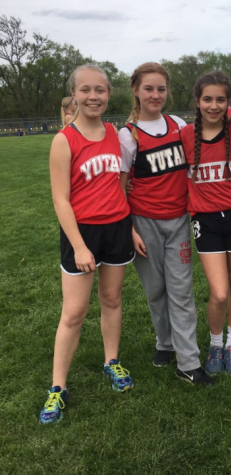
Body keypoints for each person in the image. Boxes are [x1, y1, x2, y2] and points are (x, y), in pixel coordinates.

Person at [39, 64, 135, 425]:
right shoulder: (64, 139)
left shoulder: (115, 133)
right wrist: (79, 246)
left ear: (109, 93)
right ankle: (57, 388)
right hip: (83, 234)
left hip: (117, 228)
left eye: (100, 90)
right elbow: (61, 199)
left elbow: (122, 184)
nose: (93, 96)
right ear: (75, 94)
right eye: (86, 90)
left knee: (112, 299)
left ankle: (112, 361)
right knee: (74, 312)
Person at [118, 62, 214, 386]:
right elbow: (119, 188)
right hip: (143, 222)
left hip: (178, 221)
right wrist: (129, 229)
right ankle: (165, 343)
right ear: (136, 90)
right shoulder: (128, 135)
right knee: (155, 289)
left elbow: (194, 165)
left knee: (181, 291)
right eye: (149, 88)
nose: (156, 95)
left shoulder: (177, 124)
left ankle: (189, 362)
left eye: (161, 89)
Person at [180, 71, 231, 376]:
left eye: (220, 99)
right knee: (219, 291)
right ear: (197, 101)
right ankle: (215, 343)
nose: (213, 105)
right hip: (205, 221)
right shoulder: (184, 135)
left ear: (229, 103)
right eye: (207, 99)